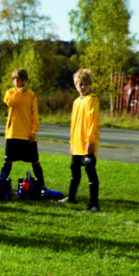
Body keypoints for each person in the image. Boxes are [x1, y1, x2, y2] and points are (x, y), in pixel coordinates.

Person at [0, 68, 48, 192]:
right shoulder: (9, 93)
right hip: (12, 134)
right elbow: (12, 102)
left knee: (35, 161)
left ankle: (42, 186)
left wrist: (33, 131)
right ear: (13, 81)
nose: (20, 83)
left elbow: (34, 115)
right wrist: (20, 91)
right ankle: (1, 185)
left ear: (26, 81)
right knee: (7, 161)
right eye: (17, 81)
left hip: (27, 135)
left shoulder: (31, 95)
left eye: (22, 81)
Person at [60, 68, 101, 211]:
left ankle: (94, 204)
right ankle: (72, 197)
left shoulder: (92, 100)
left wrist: (90, 141)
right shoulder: (76, 102)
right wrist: (71, 144)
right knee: (75, 171)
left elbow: (93, 122)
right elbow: (73, 125)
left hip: (87, 144)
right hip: (77, 144)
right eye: (80, 84)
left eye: (85, 84)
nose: (82, 87)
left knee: (90, 171)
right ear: (75, 84)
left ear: (89, 84)